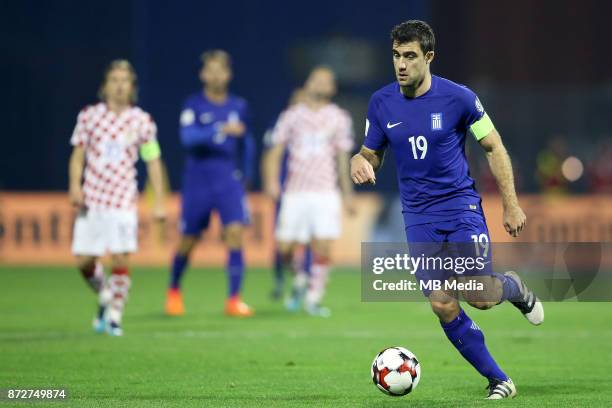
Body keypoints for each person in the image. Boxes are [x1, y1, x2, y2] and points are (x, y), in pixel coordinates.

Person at [350, 20, 543, 399]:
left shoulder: (460, 98)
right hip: (418, 217)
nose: (401, 64)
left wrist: (512, 204)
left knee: (481, 296)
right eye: (395, 56)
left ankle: (513, 286)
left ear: (429, 57)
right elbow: (371, 152)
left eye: (409, 56)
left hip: (460, 208)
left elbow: (494, 147)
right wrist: (360, 160)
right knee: (442, 303)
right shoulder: (381, 102)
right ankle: (498, 379)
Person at [69, 59, 166, 336]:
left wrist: (158, 200)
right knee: (84, 262)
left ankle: (114, 316)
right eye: (114, 80)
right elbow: (78, 155)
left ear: (132, 87)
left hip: (123, 199)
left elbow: (153, 160)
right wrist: (75, 186)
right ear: (105, 86)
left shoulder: (142, 121)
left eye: (125, 80)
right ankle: (105, 294)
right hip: (92, 199)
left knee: (121, 258)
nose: (120, 85)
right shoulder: (89, 116)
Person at [165, 50, 255, 317]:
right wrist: (219, 129)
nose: (216, 75)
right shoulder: (193, 104)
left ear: (228, 74)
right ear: (203, 74)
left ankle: (234, 299)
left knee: (235, 233)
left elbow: (247, 142)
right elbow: (188, 138)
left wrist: (247, 175)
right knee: (188, 239)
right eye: (211, 70)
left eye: (221, 70)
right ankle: (173, 290)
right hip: (198, 180)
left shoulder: (239, 106)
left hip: (228, 179)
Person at [265, 66, 355, 317]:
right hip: (295, 191)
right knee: (284, 248)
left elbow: (341, 156)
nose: (321, 84)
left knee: (323, 247)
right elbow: (276, 150)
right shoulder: (292, 116)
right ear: (308, 84)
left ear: (332, 88)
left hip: (325, 191)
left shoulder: (339, 117)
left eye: (326, 81)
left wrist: (348, 194)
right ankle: (299, 279)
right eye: (317, 80)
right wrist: (272, 181)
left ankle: (314, 298)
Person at [261, 88, 313, 301]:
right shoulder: (280, 124)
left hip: (308, 191)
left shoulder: (313, 127)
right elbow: (269, 154)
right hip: (285, 189)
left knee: (310, 238)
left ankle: (305, 281)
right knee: (283, 239)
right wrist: (270, 182)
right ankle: (281, 279)